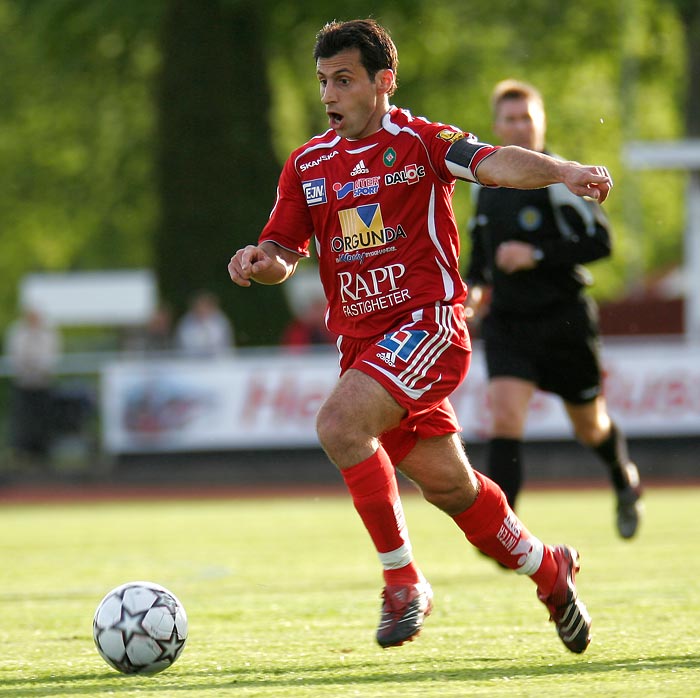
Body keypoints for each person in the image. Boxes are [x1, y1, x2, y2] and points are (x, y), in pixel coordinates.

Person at [228, 19, 614, 654]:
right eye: (324, 81)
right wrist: (257, 262)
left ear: (384, 81)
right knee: (454, 490)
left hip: (425, 328)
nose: (330, 94)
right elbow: (282, 250)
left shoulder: (422, 142)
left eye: (344, 80)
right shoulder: (308, 164)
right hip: (364, 351)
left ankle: (403, 581)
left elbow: (495, 162)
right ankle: (550, 569)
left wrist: (564, 170)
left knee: (339, 425)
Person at [464, 79, 643, 540]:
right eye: (510, 119)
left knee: (591, 426)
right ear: (495, 126)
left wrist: (537, 255)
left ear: (541, 124)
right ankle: (506, 535)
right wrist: (475, 290)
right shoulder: (484, 185)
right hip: (509, 323)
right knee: (504, 418)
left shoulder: (564, 180)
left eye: (527, 118)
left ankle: (622, 476)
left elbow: (602, 242)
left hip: (564, 320)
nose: (519, 126)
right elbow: (480, 256)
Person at [4, 306, 61, 465]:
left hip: (43, 382)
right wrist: (29, 366)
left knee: (44, 418)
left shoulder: (48, 333)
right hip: (23, 382)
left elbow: (50, 357)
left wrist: (39, 366)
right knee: (23, 418)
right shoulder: (18, 332)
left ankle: (43, 451)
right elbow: (16, 355)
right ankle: (22, 450)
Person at [175, 291, 234, 357]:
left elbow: (224, 343)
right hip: (191, 361)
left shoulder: (220, 321)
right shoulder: (186, 322)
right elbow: (183, 344)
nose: (202, 309)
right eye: (199, 306)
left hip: (218, 361)